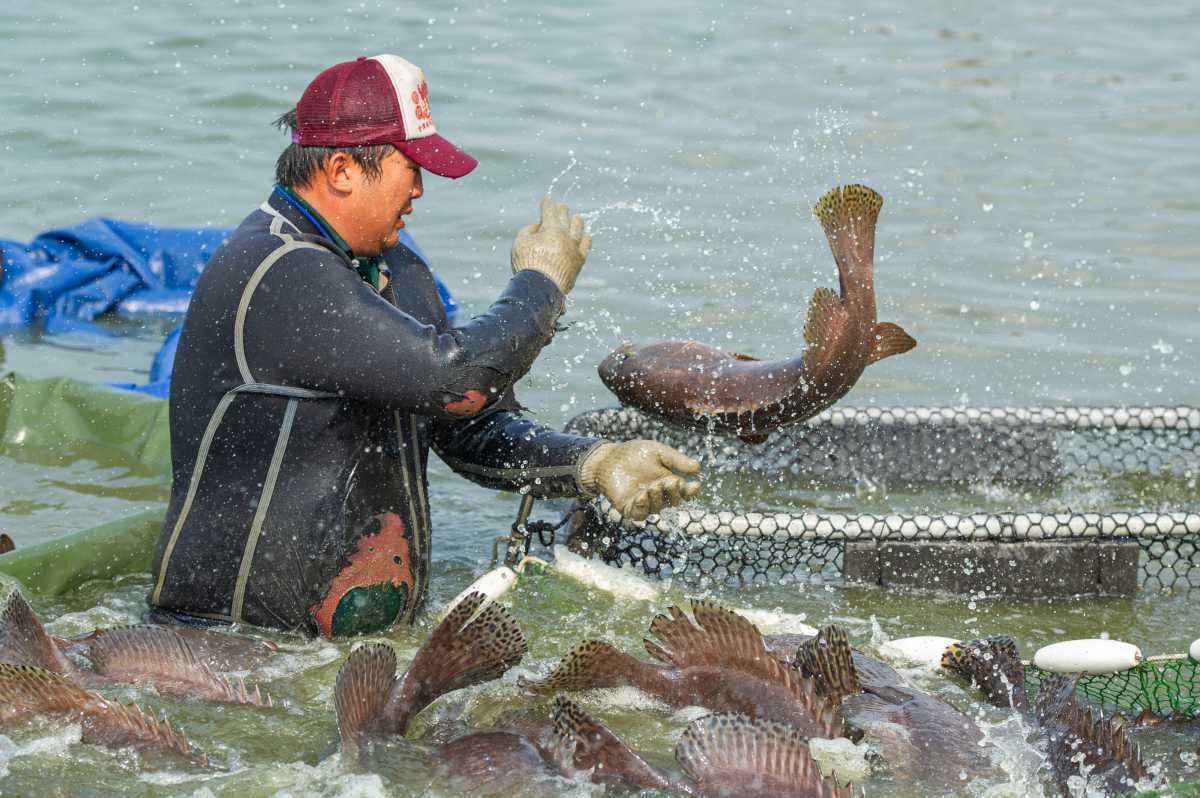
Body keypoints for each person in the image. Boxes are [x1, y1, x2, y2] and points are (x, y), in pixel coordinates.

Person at [149, 54, 701, 637]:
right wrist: (540, 285)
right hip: (227, 643)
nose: (419, 188)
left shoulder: (395, 268)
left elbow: (467, 423)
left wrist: (592, 462)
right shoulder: (278, 269)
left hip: (343, 652)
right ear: (341, 169)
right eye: (409, 166)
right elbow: (454, 378)